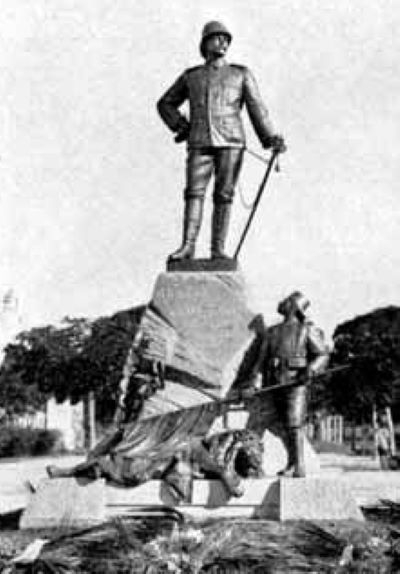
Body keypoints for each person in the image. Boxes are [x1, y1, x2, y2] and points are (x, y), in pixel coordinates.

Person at [157, 20, 286, 262]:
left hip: (231, 142)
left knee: (224, 195)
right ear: (205, 43)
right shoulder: (191, 77)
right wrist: (180, 126)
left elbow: (257, 108)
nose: (223, 42)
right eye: (217, 38)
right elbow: (165, 103)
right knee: (193, 193)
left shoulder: (240, 74)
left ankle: (217, 250)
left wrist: (270, 137)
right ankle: (187, 247)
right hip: (199, 141)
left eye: (226, 39)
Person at [242, 291, 329, 477]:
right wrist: (253, 383)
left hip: (295, 384)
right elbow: (260, 361)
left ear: (294, 306)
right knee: (276, 424)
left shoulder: (306, 330)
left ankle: (299, 465)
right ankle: (282, 463)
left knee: (294, 424)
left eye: (288, 300)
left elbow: (322, 355)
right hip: (272, 383)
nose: (283, 302)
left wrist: (310, 370)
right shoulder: (272, 332)